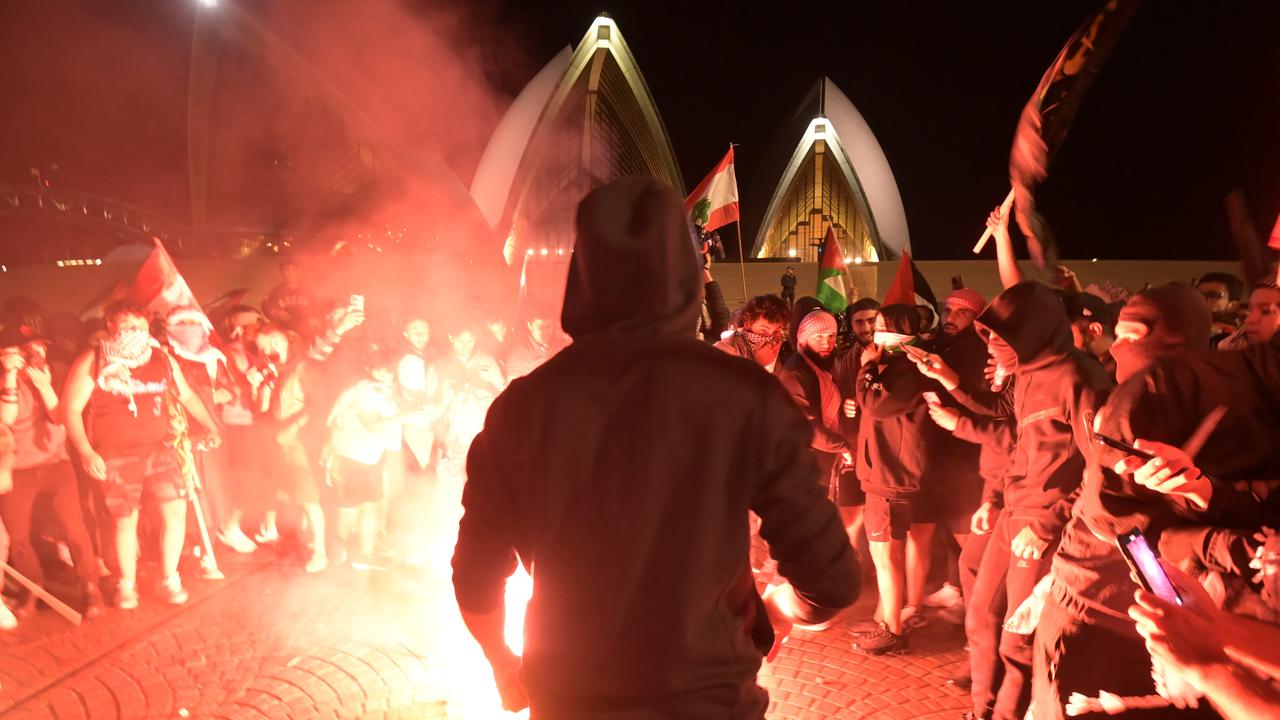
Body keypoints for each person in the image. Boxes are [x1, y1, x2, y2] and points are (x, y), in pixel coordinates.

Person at [452, 176, 860, 717]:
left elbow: (476, 575)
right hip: (706, 698)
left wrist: (504, 662)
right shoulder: (743, 395)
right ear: (686, 277)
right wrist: (779, 607)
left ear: (582, 275)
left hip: (570, 696)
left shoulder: (522, 407)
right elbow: (830, 577)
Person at [1031, 284, 1280, 718]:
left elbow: (1122, 525)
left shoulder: (1159, 392)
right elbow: (1099, 484)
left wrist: (1214, 643)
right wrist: (1200, 489)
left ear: (1174, 341)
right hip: (1164, 618)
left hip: (1112, 610)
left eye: (1130, 333)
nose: (1114, 349)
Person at [913, 281, 1112, 720]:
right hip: (1011, 512)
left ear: (1034, 333)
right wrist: (994, 497)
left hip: (1044, 523)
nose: (995, 349)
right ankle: (981, 709)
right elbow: (1020, 446)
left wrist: (1048, 525)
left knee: (1018, 637)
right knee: (980, 613)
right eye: (990, 338)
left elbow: (1101, 467)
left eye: (1003, 340)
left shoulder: (1080, 378)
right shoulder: (1027, 375)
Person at [62, 301, 221, 608]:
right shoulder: (93, 360)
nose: (135, 334)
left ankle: (169, 578)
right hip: (117, 454)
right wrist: (85, 451)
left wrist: (210, 426)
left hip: (160, 448)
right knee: (125, 520)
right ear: (111, 328)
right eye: (127, 327)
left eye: (141, 327)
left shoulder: (161, 358)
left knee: (176, 512)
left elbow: (185, 394)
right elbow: (71, 408)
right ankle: (127, 584)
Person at [0, 322, 105, 618]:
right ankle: (32, 588)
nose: (37, 352)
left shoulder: (57, 371)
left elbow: (60, 417)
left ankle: (90, 588)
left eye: (41, 346)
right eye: (28, 349)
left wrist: (45, 386)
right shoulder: (4, 375)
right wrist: (8, 374)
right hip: (17, 465)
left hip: (55, 461)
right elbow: (4, 419)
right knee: (19, 534)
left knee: (74, 525)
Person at [852, 304, 939, 655]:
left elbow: (875, 404)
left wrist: (866, 369)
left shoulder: (909, 369)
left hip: (891, 477)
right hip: (888, 474)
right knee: (889, 553)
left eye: (885, 325)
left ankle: (893, 631)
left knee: (885, 554)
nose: (877, 330)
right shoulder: (905, 364)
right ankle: (884, 618)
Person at [913, 288, 989, 623]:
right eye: (948, 311)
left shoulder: (978, 351)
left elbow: (982, 403)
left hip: (964, 454)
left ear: (977, 318)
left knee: (966, 533)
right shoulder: (942, 345)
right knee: (942, 528)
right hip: (940, 452)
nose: (951, 318)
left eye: (961, 313)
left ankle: (981, 611)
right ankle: (953, 587)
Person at [715, 294, 790, 374]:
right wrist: (758, 365)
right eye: (763, 330)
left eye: (777, 331)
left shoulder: (779, 351)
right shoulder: (724, 350)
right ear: (748, 324)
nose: (770, 335)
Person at [262, 257, 314, 335]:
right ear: (282, 272)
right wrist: (277, 312)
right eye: (286, 270)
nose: (290, 273)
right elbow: (267, 308)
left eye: (293, 269)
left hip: (306, 330)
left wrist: (314, 318)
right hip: (285, 332)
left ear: (298, 271)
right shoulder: (276, 292)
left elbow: (317, 307)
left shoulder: (307, 290)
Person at [1195, 271, 1245, 342]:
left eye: (1213, 295)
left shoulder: (1238, 335)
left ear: (1233, 305)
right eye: (1198, 294)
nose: (1202, 298)